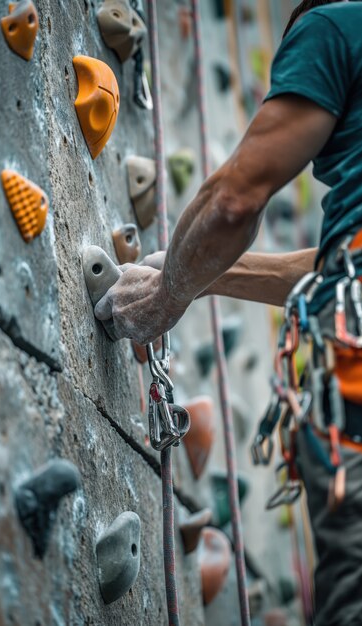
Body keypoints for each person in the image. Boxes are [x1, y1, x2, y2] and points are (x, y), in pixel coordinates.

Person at [95, 1, 362, 624]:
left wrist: (168, 296)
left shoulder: (335, 25)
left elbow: (234, 201)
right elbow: (336, 266)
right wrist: (198, 276)